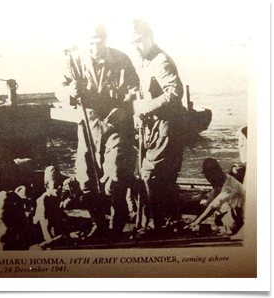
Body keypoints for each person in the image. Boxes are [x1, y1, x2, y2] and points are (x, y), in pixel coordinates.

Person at [58, 21, 140, 239]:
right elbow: (61, 88)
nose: (95, 47)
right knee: (86, 178)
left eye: (99, 42)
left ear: (106, 40)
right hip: (87, 124)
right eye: (91, 43)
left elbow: (134, 90)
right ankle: (99, 224)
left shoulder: (121, 59)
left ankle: (116, 224)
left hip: (116, 125)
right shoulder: (74, 60)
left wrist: (124, 108)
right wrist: (70, 92)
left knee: (115, 177)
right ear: (86, 43)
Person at [131, 18, 186, 237]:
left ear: (150, 37)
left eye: (139, 40)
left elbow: (174, 92)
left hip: (167, 128)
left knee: (149, 175)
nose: (136, 46)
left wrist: (145, 107)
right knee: (163, 178)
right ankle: (172, 221)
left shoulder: (161, 61)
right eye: (132, 42)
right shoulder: (147, 61)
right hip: (156, 129)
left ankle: (156, 225)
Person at [185, 158, 245, 236]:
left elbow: (213, 206)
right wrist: (195, 221)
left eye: (210, 177)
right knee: (217, 218)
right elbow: (210, 202)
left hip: (244, 219)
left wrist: (196, 222)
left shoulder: (229, 187)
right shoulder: (223, 179)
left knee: (218, 225)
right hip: (235, 212)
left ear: (217, 173)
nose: (209, 180)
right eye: (207, 177)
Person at [33, 166, 85, 245]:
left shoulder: (55, 198)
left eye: (61, 184)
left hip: (58, 237)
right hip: (46, 242)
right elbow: (47, 236)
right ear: (47, 185)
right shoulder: (43, 201)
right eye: (56, 184)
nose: (60, 187)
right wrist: (69, 236)